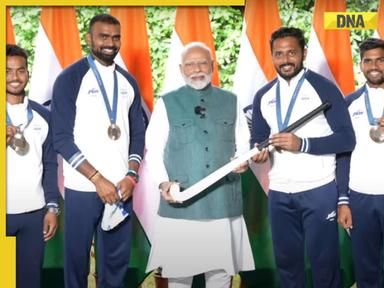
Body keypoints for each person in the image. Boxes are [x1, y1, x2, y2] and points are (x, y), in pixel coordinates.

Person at [250, 27, 355, 288]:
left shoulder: (325, 89)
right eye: (279, 54)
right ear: (272, 56)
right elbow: (259, 141)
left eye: (292, 53)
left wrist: (303, 143)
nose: (285, 60)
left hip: (318, 190)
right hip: (279, 192)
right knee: (287, 263)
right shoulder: (263, 96)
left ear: (304, 53)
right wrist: (258, 155)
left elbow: (346, 139)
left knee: (324, 262)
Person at [145, 42, 255, 288]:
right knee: (179, 276)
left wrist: (243, 160)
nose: (197, 69)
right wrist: (163, 183)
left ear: (213, 66)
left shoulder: (232, 100)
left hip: (223, 204)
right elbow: (153, 150)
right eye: (190, 64)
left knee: (220, 275)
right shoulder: (167, 103)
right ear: (181, 68)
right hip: (182, 205)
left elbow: (243, 145)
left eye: (202, 62)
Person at [51, 14, 145, 288]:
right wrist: (96, 179)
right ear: (89, 38)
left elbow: (137, 134)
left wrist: (131, 176)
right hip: (83, 187)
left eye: (116, 37)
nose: (110, 43)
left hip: (120, 188)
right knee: (76, 262)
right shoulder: (69, 78)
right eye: (103, 36)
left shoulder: (128, 82)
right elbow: (61, 139)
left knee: (115, 265)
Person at [6, 44, 60, 288]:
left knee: (29, 282)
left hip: (35, 214)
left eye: (20, 71)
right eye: (7, 71)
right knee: (4, 281)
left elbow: (50, 166)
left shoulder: (42, 115)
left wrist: (52, 208)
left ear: (27, 73)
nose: (14, 77)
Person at [337, 38, 384, 288]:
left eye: (380, 59)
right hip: (361, 197)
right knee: (366, 269)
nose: (374, 65)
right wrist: (343, 200)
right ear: (361, 65)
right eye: (368, 60)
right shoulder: (349, 103)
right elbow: (343, 155)